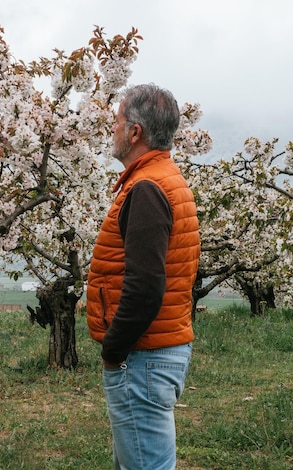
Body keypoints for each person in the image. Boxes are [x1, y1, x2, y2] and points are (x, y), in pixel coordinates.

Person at [86, 84, 200, 469]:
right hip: (155, 351)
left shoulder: (147, 188)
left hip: (142, 357)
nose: (112, 130)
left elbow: (146, 286)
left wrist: (113, 349)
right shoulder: (162, 178)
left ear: (135, 132)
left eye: (117, 122)